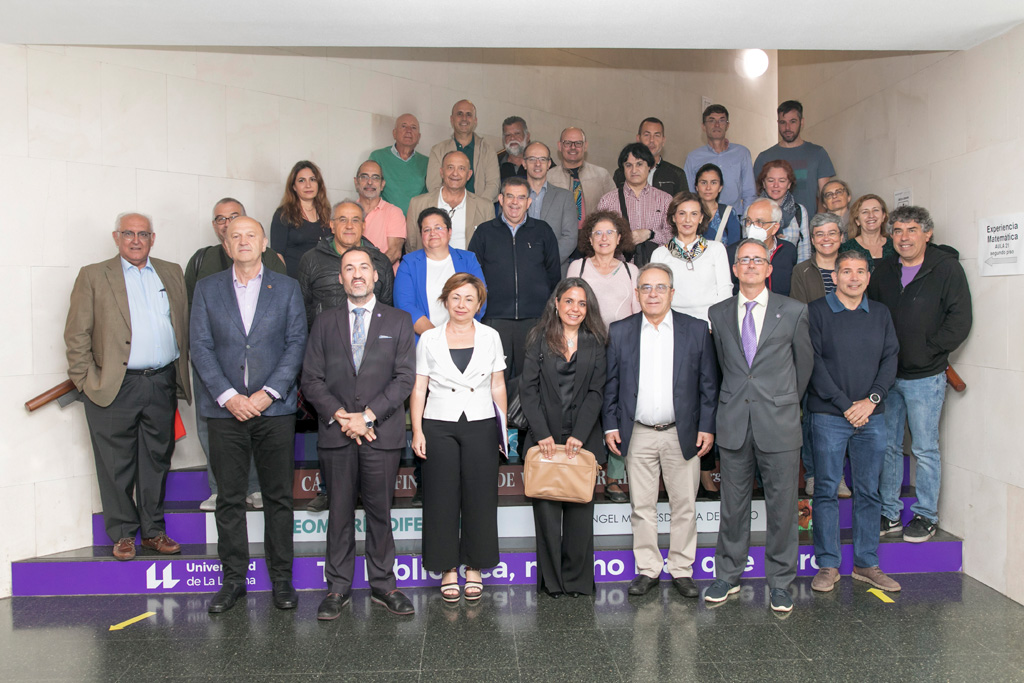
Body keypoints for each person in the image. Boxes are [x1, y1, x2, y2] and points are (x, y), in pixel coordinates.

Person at [190, 217, 307, 614]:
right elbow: (200, 347)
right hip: (225, 412)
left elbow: (296, 344)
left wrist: (267, 393)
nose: (242, 241)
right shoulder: (207, 289)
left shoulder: (287, 288)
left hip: (274, 409)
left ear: (264, 243)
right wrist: (229, 396)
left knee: (278, 498)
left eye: (250, 235)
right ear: (225, 245)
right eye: (234, 236)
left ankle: (281, 580)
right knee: (230, 499)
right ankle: (233, 581)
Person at [64, 212, 192, 561]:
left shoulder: (171, 271)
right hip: (114, 385)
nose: (136, 240)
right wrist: (87, 381)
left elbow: (181, 323)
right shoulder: (93, 275)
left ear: (153, 238)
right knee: (115, 463)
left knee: (157, 460)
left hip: (161, 382)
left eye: (143, 234)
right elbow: (76, 336)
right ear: (115, 237)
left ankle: (152, 532)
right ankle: (122, 535)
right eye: (128, 234)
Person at [301, 246, 417, 618]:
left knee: (380, 513)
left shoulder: (398, 321)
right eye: (348, 268)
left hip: (380, 434)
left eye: (363, 267)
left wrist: (367, 416)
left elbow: (404, 379)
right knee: (338, 514)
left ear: (376, 275)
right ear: (340, 278)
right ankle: (337, 589)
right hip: (336, 434)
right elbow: (311, 379)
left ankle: (384, 585)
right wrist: (342, 416)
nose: (356, 274)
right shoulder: (324, 322)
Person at [704, 239, 813, 613]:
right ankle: (727, 575)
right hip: (734, 421)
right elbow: (723, 366)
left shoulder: (794, 310)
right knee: (732, 505)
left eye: (758, 260)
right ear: (734, 270)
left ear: (769, 269)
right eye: (743, 260)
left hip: (779, 423)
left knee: (782, 507)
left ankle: (781, 582)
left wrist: (783, 401)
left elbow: (804, 367)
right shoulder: (717, 313)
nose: (750, 265)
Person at [603, 263, 718, 598]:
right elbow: (611, 384)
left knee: (684, 505)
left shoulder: (696, 330)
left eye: (660, 287)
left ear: (672, 292)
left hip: (680, 433)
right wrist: (610, 424)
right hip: (636, 432)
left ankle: (682, 569)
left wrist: (707, 427)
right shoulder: (621, 330)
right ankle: (648, 569)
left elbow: (708, 385)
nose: (652, 294)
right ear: (637, 293)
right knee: (642, 506)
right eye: (646, 288)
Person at [868, 206, 972, 542]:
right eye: (897, 231)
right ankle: (889, 512)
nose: (904, 237)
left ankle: (926, 515)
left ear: (927, 234)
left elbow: (960, 320)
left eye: (911, 230)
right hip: (887, 376)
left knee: (925, 448)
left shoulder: (946, 269)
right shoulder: (882, 270)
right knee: (889, 446)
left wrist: (930, 350)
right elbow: (870, 314)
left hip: (926, 376)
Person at [808, 250, 901, 594]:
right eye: (846, 271)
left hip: (871, 416)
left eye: (860, 271)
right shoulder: (816, 311)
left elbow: (890, 358)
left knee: (868, 490)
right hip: (830, 414)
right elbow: (813, 363)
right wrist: (847, 404)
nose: (853, 277)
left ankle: (866, 563)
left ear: (868, 277)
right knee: (827, 489)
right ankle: (828, 565)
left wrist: (871, 400)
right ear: (835, 276)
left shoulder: (880, 313)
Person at [185, 198, 286, 512]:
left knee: (258, 429)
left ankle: (254, 488)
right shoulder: (201, 264)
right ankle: (220, 489)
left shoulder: (278, 270)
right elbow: (194, 322)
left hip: (262, 374)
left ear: (262, 240)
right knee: (213, 430)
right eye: (221, 220)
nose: (229, 225)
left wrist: (269, 386)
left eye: (235, 218)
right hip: (217, 371)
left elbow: (290, 332)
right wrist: (224, 389)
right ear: (221, 235)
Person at [410, 273, 507, 602]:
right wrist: (418, 430)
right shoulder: (429, 339)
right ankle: (447, 567)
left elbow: (498, 385)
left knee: (480, 498)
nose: (462, 304)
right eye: (456, 298)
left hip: (480, 422)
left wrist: (501, 429)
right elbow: (419, 387)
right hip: (438, 423)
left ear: (479, 304)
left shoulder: (491, 336)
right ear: (445, 300)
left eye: (469, 299)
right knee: (441, 497)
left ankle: (475, 567)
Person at [520, 279, 608, 597]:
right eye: (569, 301)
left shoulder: (596, 341)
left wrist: (581, 435)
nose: (575, 309)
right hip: (544, 437)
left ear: (588, 309)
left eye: (582, 304)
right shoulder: (539, 339)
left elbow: (598, 392)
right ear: (556, 304)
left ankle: (577, 582)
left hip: (582, 440)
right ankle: (552, 583)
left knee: (580, 514)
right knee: (546, 516)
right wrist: (542, 433)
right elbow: (527, 390)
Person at [566, 211, 639, 503]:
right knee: (582, 413)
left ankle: (614, 478)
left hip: (621, 354)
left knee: (618, 414)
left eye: (610, 233)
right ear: (589, 238)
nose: (604, 238)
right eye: (598, 233)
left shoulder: (633, 272)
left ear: (620, 237)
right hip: (584, 350)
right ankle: (577, 473)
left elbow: (638, 316)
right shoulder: (578, 267)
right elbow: (567, 309)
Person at [469, 177, 561, 379]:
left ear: (529, 202)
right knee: (492, 378)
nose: (515, 202)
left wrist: (547, 315)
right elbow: (472, 278)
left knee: (530, 380)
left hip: (535, 320)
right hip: (494, 319)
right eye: (510, 196)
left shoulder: (543, 231)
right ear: (501, 199)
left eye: (521, 197)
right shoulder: (484, 232)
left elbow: (554, 275)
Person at [790, 212, 851, 499]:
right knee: (811, 418)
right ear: (812, 240)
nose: (826, 239)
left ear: (841, 237)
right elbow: (800, 315)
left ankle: (837, 476)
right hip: (812, 354)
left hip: (847, 357)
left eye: (831, 233)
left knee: (840, 418)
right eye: (819, 234)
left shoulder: (853, 267)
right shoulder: (801, 271)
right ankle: (814, 475)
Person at [298, 200, 394, 330]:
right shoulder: (311, 260)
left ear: (363, 226)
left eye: (355, 220)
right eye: (342, 220)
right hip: (325, 340)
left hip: (372, 342)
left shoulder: (380, 261)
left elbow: (387, 308)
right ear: (332, 225)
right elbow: (301, 309)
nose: (349, 226)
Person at [395, 207, 487, 341]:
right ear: (421, 235)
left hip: (464, 339)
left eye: (438, 228)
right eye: (426, 230)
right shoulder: (409, 263)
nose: (433, 233)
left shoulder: (468, 259)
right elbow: (405, 306)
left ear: (449, 232)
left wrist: (460, 335)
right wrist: (439, 340)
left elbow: (480, 297)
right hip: (422, 341)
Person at [649, 191, 733, 325]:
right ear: (673, 217)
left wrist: (716, 324)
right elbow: (657, 295)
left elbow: (725, 290)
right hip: (674, 324)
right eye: (682, 213)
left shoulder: (716, 249)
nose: (687, 220)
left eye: (694, 214)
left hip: (710, 323)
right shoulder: (660, 254)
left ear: (701, 218)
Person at [754, 101, 836, 214]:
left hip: (809, 225)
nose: (787, 127)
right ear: (778, 123)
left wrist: (818, 224)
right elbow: (756, 195)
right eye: (783, 122)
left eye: (793, 122)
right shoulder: (764, 157)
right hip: (773, 226)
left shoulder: (817, 153)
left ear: (802, 122)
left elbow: (825, 194)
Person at [406, 151, 494, 252]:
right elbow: (411, 245)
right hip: (428, 266)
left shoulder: (485, 207)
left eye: (461, 168)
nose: (455, 173)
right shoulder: (418, 204)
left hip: (468, 267)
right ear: (441, 172)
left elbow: (489, 247)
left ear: (469, 175)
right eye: (450, 167)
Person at [683, 105, 757, 214]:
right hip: (705, 219)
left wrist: (747, 221)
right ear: (703, 126)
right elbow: (689, 193)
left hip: (735, 216)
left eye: (721, 120)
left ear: (727, 125)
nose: (717, 125)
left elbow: (749, 193)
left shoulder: (742, 153)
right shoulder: (693, 157)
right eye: (711, 120)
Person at [597, 142, 673, 247]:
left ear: (649, 166)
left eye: (639, 164)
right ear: (622, 169)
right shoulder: (608, 201)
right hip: (619, 262)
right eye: (628, 165)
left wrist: (650, 234)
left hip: (655, 261)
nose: (634, 170)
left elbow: (672, 236)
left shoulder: (665, 200)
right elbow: (599, 236)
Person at [426, 99, 501, 202]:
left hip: (480, 213)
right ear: (452, 119)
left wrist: (478, 208)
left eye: (469, 114)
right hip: (447, 212)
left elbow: (493, 185)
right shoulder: (437, 150)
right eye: (460, 114)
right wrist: (450, 206)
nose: (464, 118)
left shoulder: (488, 151)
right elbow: (433, 186)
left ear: (475, 121)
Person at [270, 160, 331, 279]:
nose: (308, 185)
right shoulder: (283, 214)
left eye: (312, 179)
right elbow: (277, 254)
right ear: (294, 186)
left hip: (321, 284)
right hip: (294, 282)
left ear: (319, 184)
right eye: (301, 180)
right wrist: (286, 283)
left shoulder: (325, 213)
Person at [725, 198, 798, 297]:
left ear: (775, 228)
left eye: (760, 222)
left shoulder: (788, 250)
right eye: (749, 221)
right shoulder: (733, 252)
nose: (752, 226)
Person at [524, 141, 578, 273]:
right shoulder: (512, 196)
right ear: (524, 163)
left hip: (554, 271)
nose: (538, 164)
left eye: (542, 159)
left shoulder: (565, 197)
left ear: (549, 164)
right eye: (532, 159)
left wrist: (545, 261)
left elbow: (570, 238)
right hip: (519, 270)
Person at [547, 127, 616, 226]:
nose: (573, 147)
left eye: (578, 143)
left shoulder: (602, 175)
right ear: (560, 146)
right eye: (567, 143)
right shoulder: (549, 177)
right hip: (560, 237)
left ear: (585, 146)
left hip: (594, 236)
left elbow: (615, 209)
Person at [369, 113, 429, 216]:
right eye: (404, 126)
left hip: (416, 224)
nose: (409, 130)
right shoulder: (378, 157)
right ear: (394, 133)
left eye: (413, 127)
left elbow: (430, 197)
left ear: (418, 137)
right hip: (384, 220)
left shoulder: (427, 162)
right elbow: (370, 193)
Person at [613, 117, 687, 197]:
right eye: (647, 135)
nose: (651, 140)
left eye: (657, 135)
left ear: (663, 141)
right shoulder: (621, 174)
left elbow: (684, 205)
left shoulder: (677, 174)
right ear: (638, 138)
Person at [354, 160, 406, 271]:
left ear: (382, 184)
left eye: (375, 178)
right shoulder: (348, 211)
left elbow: (394, 252)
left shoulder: (394, 212)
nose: (369, 182)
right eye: (364, 177)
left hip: (384, 279)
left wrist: (368, 273)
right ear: (356, 182)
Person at [757, 159, 811, 262]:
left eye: (782, 181)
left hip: (792, 272)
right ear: (764, 183)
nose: (776, 185)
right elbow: (748, 245)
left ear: (789, 184)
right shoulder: (753, 210)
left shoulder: (799, 211)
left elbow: (804, 249)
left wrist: (799, 276)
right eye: (771, 180)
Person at [694, 163, 742, 246]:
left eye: (713, 183)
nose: (708, 188)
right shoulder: (688, 212)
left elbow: (734, 248)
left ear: (720, 187)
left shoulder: (728, 213)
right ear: (696, 187)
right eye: (704, 183)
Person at [839, 194, 896, 266]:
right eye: (865, 212)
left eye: (875, 210)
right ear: (857, 220)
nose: (871, 215)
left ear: (883, 216)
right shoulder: (845, 249)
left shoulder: (894, 246)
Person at [497, 115, 531, 181]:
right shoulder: (495, 164)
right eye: (508, 135)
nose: (512, 138)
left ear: (527, 137)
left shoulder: (541, 162)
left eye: (517, 133)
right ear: (503, 139)